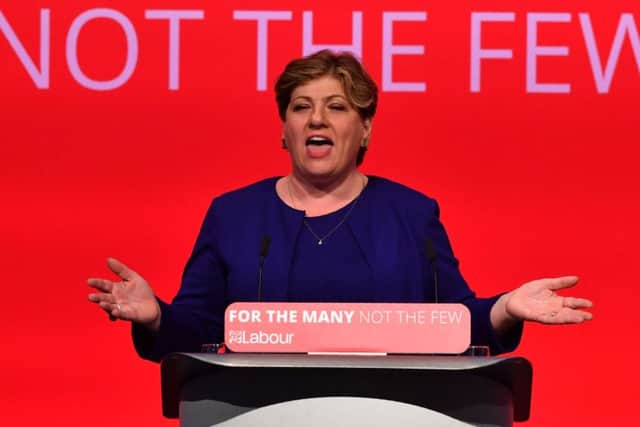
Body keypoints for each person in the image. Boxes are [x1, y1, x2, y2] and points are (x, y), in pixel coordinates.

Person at [87, 50, 593, 362]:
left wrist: (505, 308)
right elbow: (198, 331)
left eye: (336, 107)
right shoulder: (235, 216)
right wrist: (154, 317)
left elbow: (453, 323)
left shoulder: (411, 214)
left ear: (365, 128)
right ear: (284, 130)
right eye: (301, 107)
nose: (316, 120)